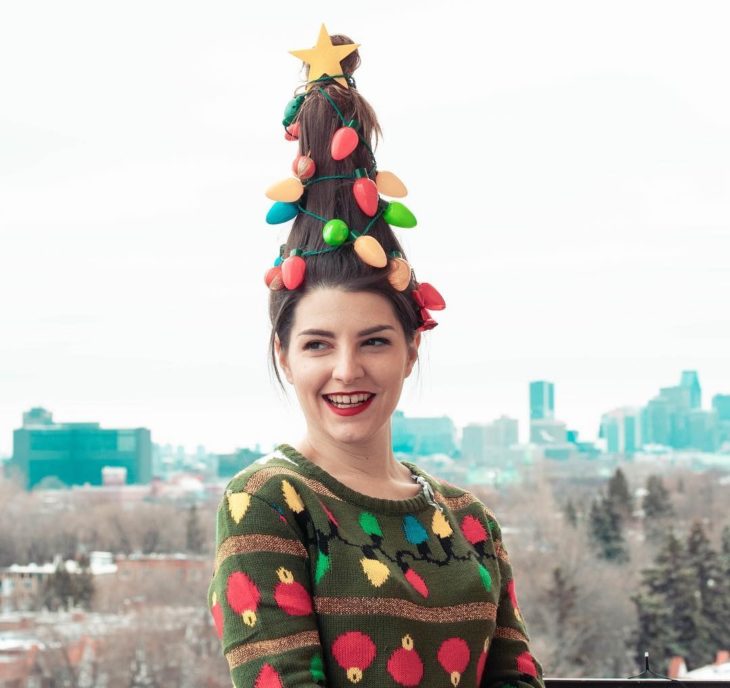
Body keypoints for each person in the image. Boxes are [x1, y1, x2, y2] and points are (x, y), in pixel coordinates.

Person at [207, 26, 545, 688]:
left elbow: (517, 680)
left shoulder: (470, 520)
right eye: (316, 345)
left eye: (375, 341)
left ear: (413, 347)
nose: (346, 370)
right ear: (284, 354)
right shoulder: (268, 503)